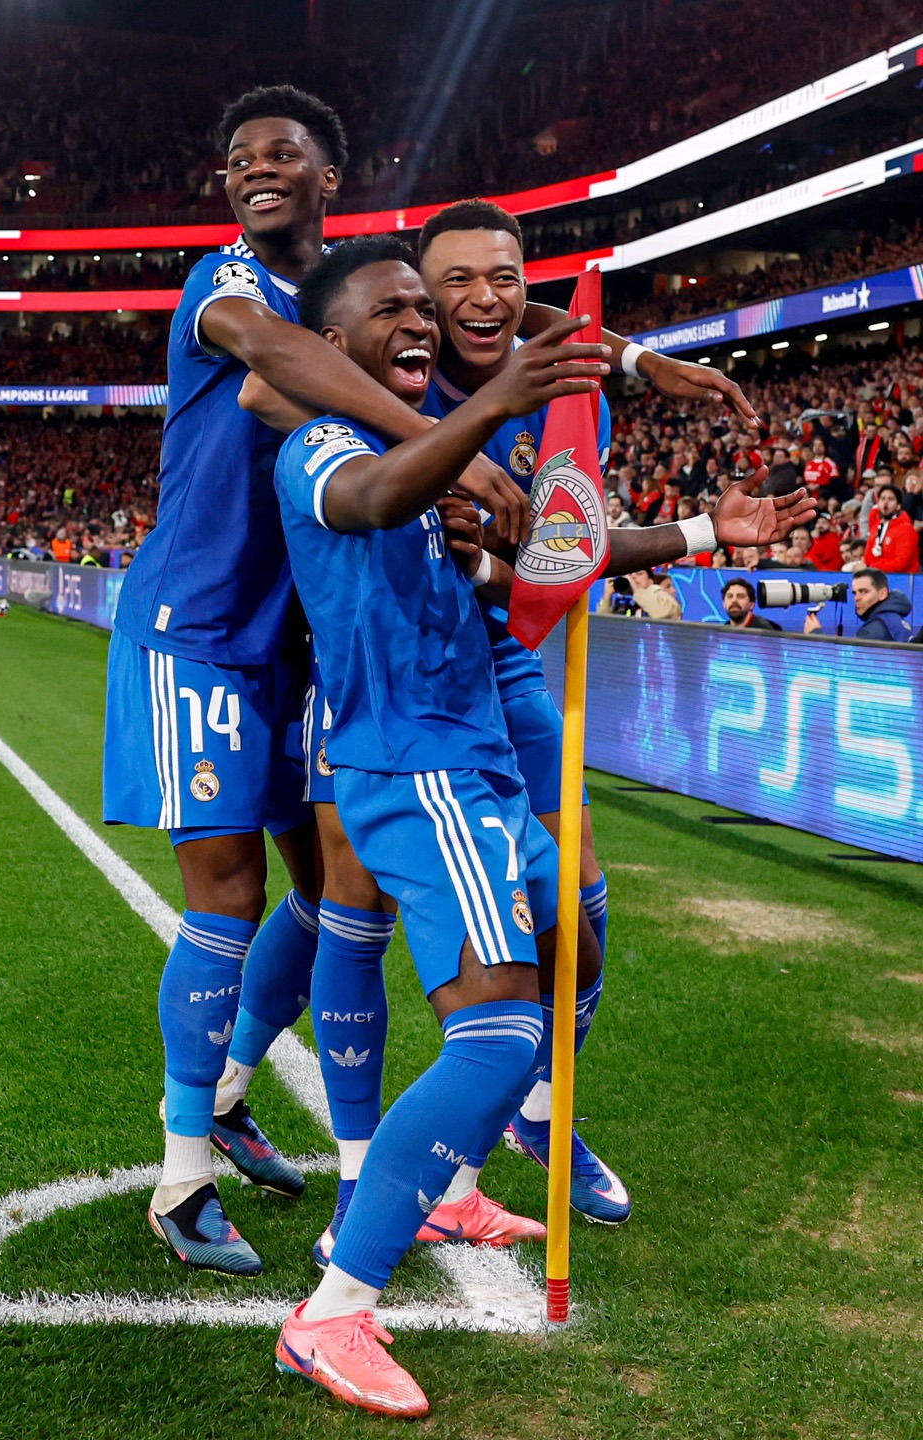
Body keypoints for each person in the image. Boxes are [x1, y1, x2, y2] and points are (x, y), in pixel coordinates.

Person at [268, 238, 814, 1414]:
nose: (420, 323)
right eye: (394, 309)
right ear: (333, 344)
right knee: (501, 1030)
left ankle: (457, 1180)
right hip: (419, 771)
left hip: (481, 766)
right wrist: (490, 413)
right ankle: (333, 1311)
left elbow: (553, 560)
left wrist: (707, 536)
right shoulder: (326, 445)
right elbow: (375, 499)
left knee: (580, 956)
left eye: (422, 310)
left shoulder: (440, 453)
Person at [102, 85, 531, 1277]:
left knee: (333, 891)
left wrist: (628, 353)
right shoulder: (228, 283)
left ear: (329, 176)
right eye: (239, 157)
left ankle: (233, 1085)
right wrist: (437, 439)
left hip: (300, 642)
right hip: (199, 626)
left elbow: (485, 313)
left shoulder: (351, 296)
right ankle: (182, 1173)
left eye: (281, 153)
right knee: (226, 894)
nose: (255, 168)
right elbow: (265, 371)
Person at [804, 568, 913, 641]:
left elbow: (849, 665)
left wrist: (816, 635)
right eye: (855, 593)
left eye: (864, 591)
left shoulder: (877, 628)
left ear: (882, 594)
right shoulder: (891, 619)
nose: (856, 598)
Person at [863, 484, 920, 574]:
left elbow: (901, 563)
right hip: (876, 578)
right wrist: (866, 567)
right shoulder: (876, 528)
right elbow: (868, 558)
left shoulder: (906, 529)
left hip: (902, 580)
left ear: (898, 506)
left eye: (890, 499)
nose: (885, 502)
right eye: (882, 499)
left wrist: (869, 568)